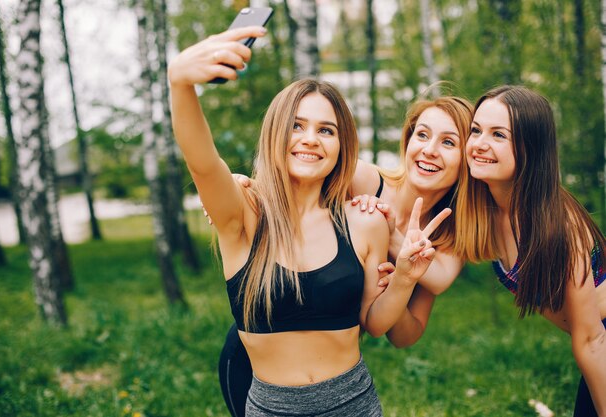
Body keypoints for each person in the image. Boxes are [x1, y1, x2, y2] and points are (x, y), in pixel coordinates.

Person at [168, 26, 450, 416]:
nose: (311, 139)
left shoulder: (362, 221)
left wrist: (404, 278)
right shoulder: (245, 216)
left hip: (354, 403)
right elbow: (202, 161)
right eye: (297, 126)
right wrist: (180, 84)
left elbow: (375, 323)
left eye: (326, 130)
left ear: (341, 146)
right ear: (275, 133)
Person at [218, 91, 475, 414]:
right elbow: (291, 176)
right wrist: (243, 187)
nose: (429, 150)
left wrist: (400, 279)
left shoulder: (451, 233)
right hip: (260, 344)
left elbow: (403, 332)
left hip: (337, 372)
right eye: (421, 135)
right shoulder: (363, 179)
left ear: (468, 157)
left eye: (449, 143)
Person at [465, 85, 606, 416]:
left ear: (530, 147)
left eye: (498, 135)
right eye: (476, 130)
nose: (480, 144)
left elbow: (592, 339)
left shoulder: (560, 225)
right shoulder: (482, 204)